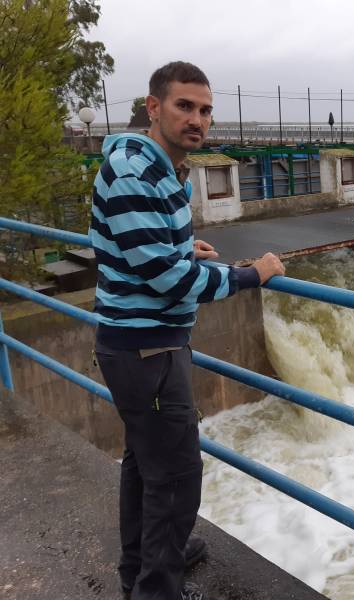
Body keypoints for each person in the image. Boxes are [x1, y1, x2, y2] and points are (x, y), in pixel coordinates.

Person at [90, 61, 284, 600]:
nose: (197, 119)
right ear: (154, 107)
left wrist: (178, 246)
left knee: (144, 464)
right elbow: (170, 280)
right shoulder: (136, 174)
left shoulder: (156, 167)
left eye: (205, 110)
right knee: (175, 478)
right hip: (146, 349)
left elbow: (143, 250)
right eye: (184, 106)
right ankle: (156, 588)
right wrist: (252, 274)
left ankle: (149, 564)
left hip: (140, 344)